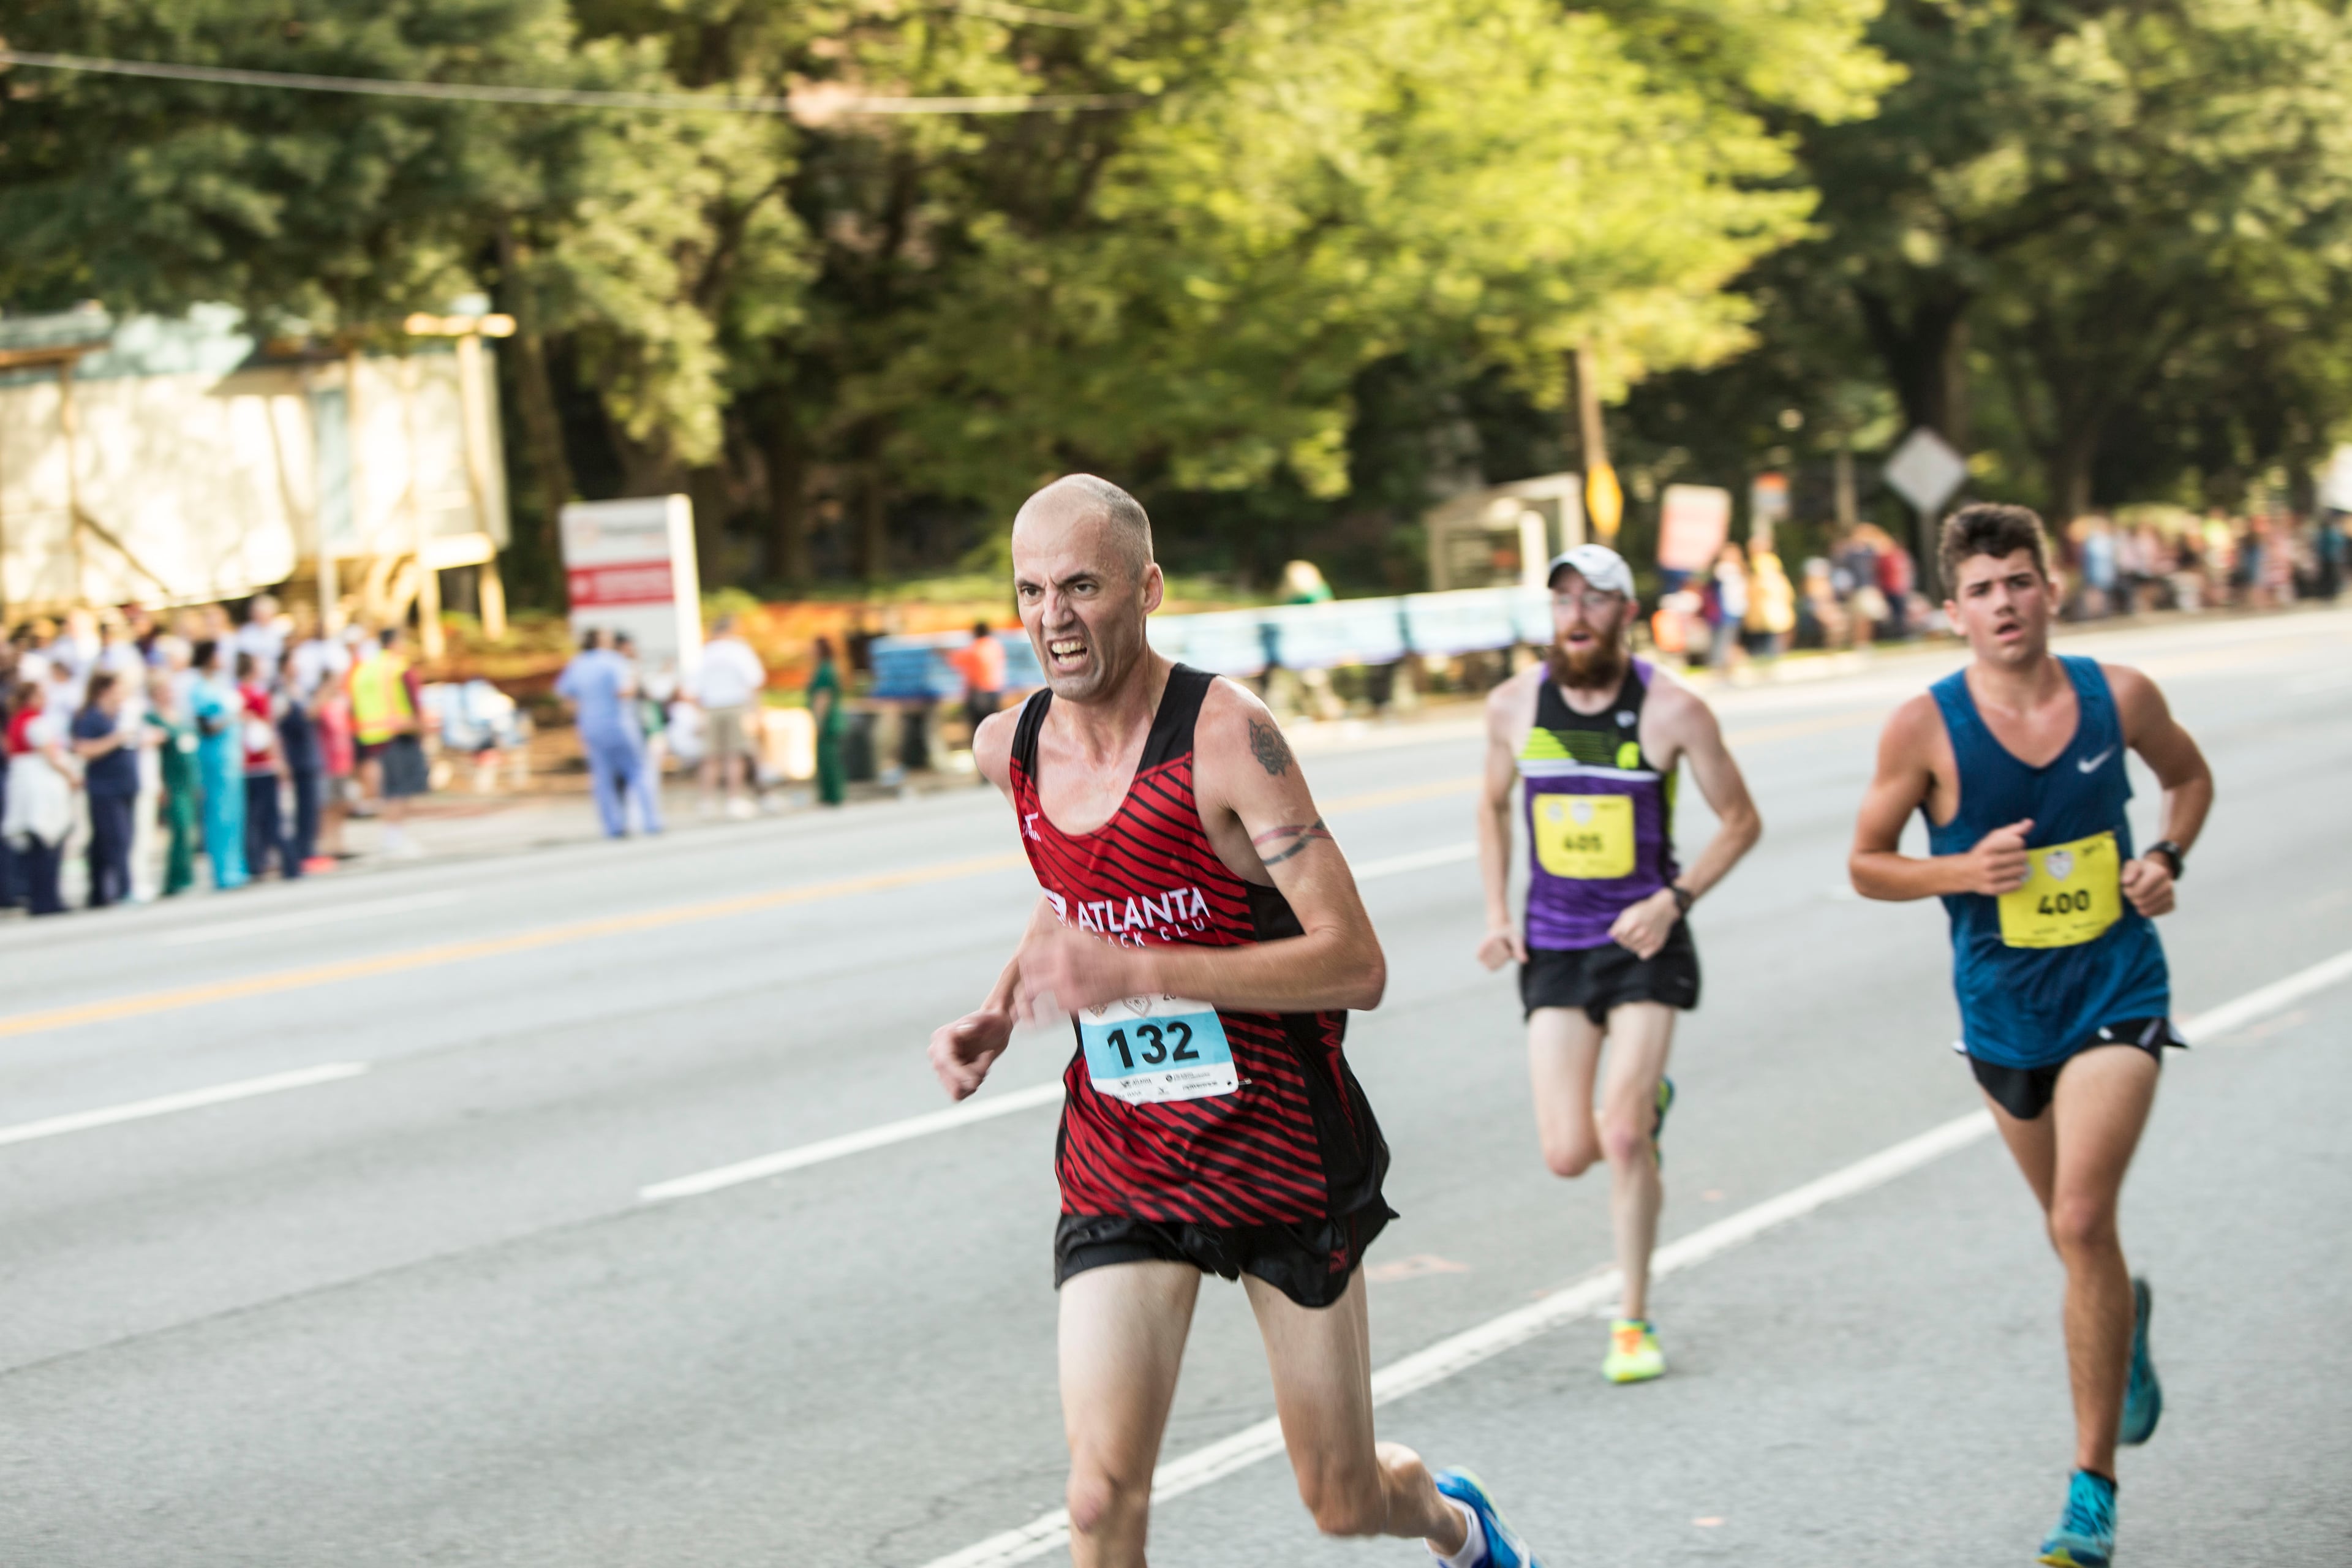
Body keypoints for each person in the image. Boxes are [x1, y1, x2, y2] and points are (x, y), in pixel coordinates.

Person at [928, 474, 1543, 1568]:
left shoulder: (1226, 737)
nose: (1053, 618)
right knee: (1096, 1498)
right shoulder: (1008, 748)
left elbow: (1356, 963)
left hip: (1280, 1150)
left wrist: (1136, 968)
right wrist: (999, 1005)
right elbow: (1076, 887)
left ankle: (1456, 1525)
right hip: (1125, 1152)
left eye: (1081, 586)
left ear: (1148, 589)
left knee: (1342, 1497)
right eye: (1030, 591)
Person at [1850, 503, 2214, 1568]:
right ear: (1951, 612)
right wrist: (1962, 870)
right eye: (1982, 590)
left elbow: (2189, 779)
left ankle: (2090, 1491)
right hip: (2003, 1008)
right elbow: (1867, 862)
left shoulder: (2120, 697)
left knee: (2083, 1216)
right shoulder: (1923, 728)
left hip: (2116, 981)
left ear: (2051, 589)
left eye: (2019, 581)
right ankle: (2122, 1318)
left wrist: (2166, 859)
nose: (2004, 602)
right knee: (2071, 1236)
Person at [1476, 543, 1762, 1384]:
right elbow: (1491, 805)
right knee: (1570, 1152)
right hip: (1555, 944)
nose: (1577, 614)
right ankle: (1641, 1113)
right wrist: (1498, 914)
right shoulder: (1513, 705)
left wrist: (1676, 899)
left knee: (1625, 1136)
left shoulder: (1675, 709)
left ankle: (1631, 1321)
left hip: (1644, 941)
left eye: (1595, 599)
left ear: (1628, 613)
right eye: (1563, 598)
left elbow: (1741, 821)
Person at [556, 628, 663, 839]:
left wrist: (584, 710)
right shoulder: (613, 661)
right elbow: (624, 692)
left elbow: (565, 695)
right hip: (619, 723)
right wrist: (636, 680)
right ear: (603, 641)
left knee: (603, 777)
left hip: (591, 726)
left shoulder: (578, 664)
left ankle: (613, 826)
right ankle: (651, 821)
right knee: (638, 770)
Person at [349, 626, 428, 858]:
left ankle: (392, 837)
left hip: (372, 735)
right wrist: (420, 728)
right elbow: (414, 700)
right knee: (399, 790)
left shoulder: (365, 669)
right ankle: (394, 839)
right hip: (399, 731)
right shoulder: (397, 667)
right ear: (395, 643)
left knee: (388, 788)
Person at [3, 677, 77, 915]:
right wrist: (72, 775)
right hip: (40, 789)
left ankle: (38, 898)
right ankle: (48, 899)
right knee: (48, 847)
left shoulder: (16, 722)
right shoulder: (35, 722)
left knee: (36, 849)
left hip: (24, 786)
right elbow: (51, 756)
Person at [70, 670, 141, 907]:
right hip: (105, 788)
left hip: (125, 785)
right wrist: (115, 739)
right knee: (117, 840)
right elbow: (83, 749)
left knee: (114, 840)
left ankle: (98, 894)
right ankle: (124, 890)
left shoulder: (121, 715)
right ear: (104, 691)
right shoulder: (90, 717)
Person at [188, 641, 250, 891]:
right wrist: (231, 719)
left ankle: (237, 866)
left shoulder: (221, 685)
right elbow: (205, 726)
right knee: (219, 814)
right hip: (216, 759)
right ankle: (223, 871)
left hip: (232, 757)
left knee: (235, 814)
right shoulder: (200, 689)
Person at [694, 614, 767, 820]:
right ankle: (733, 800)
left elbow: (694, 687)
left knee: (711, 757)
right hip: (734, 705)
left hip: (710, 708)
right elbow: (755, 681)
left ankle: (706, 802)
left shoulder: (706, 652)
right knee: (735, 755)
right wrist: (757, 712)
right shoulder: (738, 650)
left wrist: (699, 715)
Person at [238, 651, 300, 880]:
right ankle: (289, 864)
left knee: (253, 818)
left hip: (245, 766)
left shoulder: (237, 695)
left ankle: (257, 862)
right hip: (262, 764)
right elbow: (269, 730)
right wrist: (279, 761)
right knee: (272, 817)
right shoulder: (256, 695)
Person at [145, 669, 200, 897]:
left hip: (187, 778)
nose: (168, 695)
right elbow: (152, 756)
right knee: (179, 828)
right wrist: (160, 785)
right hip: (171, 781)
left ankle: (186, 876)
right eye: (163, 691)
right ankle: (174, 880)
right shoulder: (151, 720)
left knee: (190, 829)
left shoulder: (180, 717)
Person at [948, 619, 1008, 745]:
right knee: (995, 725)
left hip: (979, 693)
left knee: (979, 729)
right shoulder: (995, 646)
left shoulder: (975, 649)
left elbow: (956, 660)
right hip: (995, 691)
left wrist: (942, 652)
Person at [808, 636, 846, 808]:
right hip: (832, 721)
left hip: (827, 721)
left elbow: (822, 697)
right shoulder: (830, 668)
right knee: (830, 759)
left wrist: (819, 721)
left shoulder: (824, 670)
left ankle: (832, 796)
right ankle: (832, 796)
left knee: (827, 761)